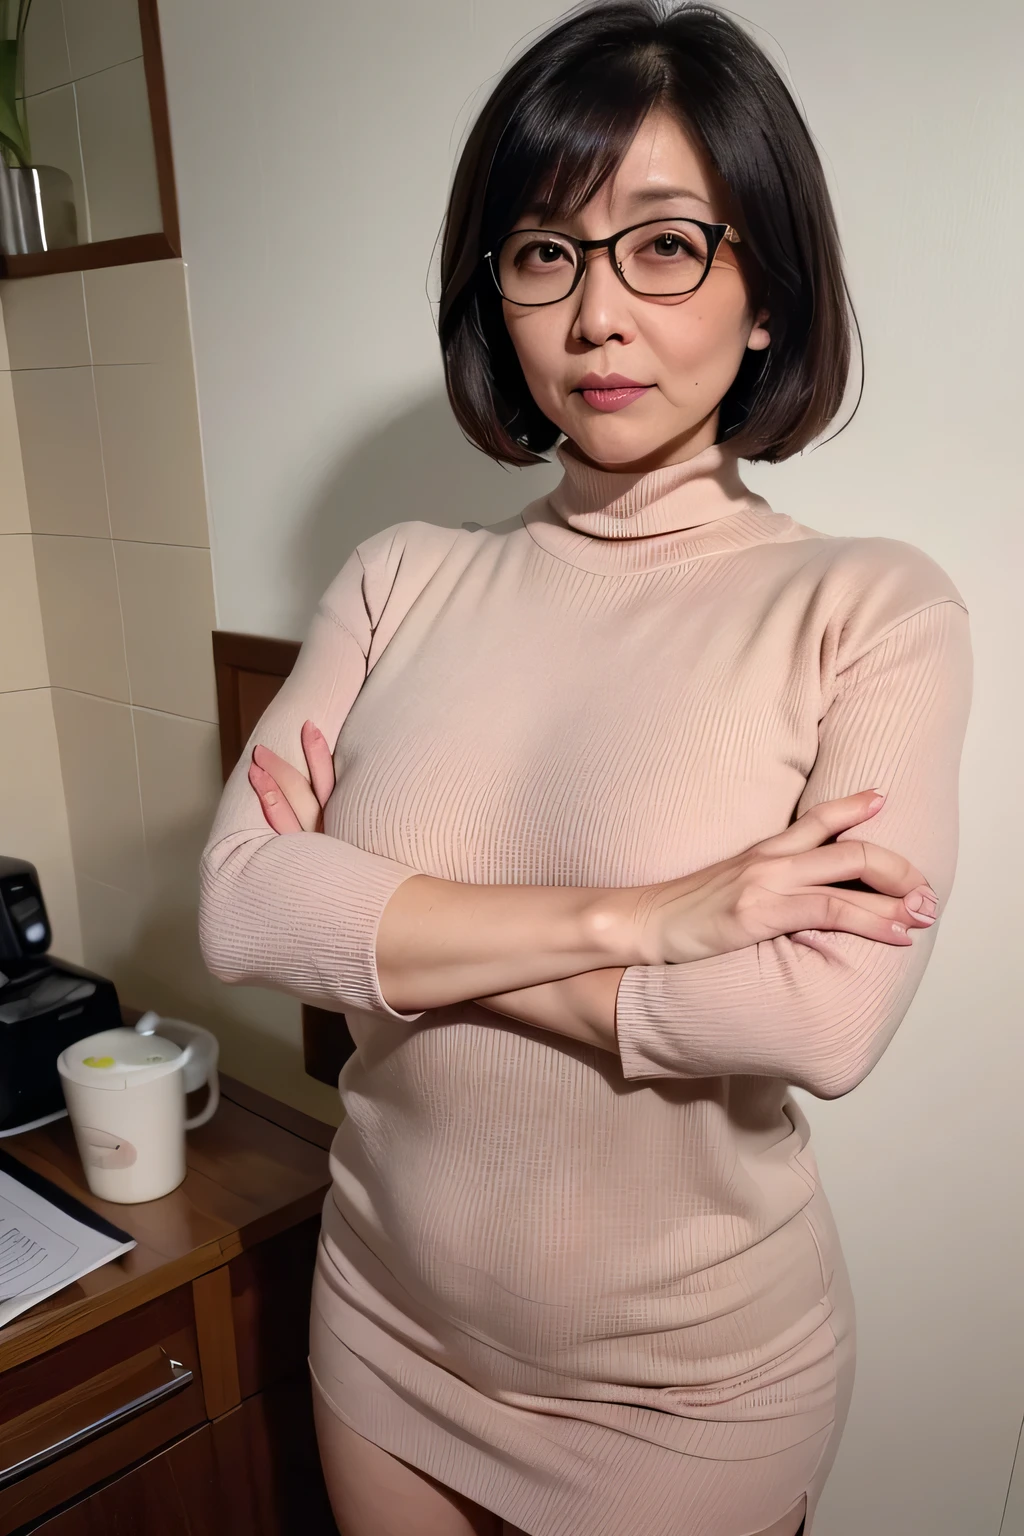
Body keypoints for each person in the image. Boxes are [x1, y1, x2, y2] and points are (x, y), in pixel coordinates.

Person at [197, 3, 972, 1533]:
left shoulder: (872, 606)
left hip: (686, 1397)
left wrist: (372, 916)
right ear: (500, 295)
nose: (598, 314)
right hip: (384, 1328)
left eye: (667, 244)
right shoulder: (395, 577)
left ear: (767, 296)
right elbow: (237, 913)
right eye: (545, 251)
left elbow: (819, 1016)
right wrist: (643, 921)